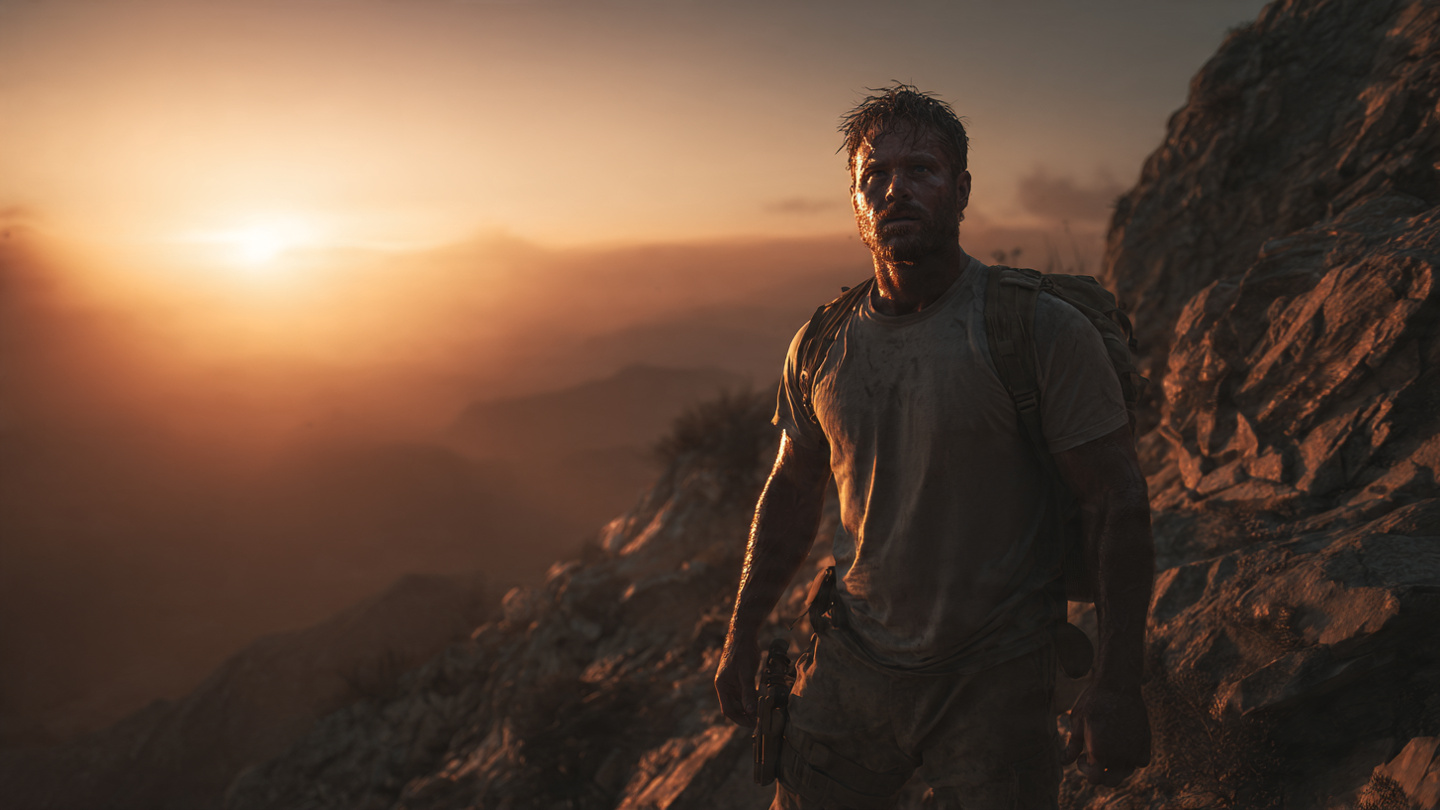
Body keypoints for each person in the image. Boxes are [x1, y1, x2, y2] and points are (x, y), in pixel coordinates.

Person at [713, 84, 1154, 809]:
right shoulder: (821, 344)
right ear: (856, 204)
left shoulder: (1037, 330)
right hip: (852, 665)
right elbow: (792, 489)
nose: (895, 190)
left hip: (999, 676)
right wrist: (741, 634)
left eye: (920, 169)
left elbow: (1117, 504)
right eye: (874, 177)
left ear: (962, 189)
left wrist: (1118, 683)